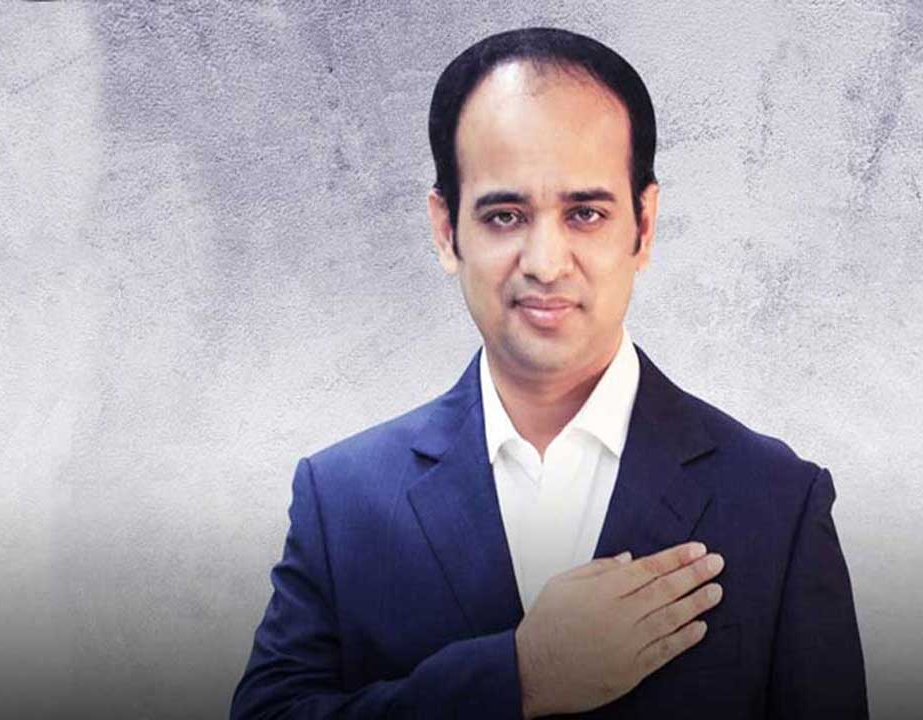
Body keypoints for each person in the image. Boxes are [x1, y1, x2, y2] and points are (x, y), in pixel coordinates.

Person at [231, 27, 867, 719]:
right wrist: (519, 677)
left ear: (644, 225)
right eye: (505, 215)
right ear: (446, 230)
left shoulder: (777, 501)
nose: (545, 262)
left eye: (585, 213)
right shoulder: (342, 500)